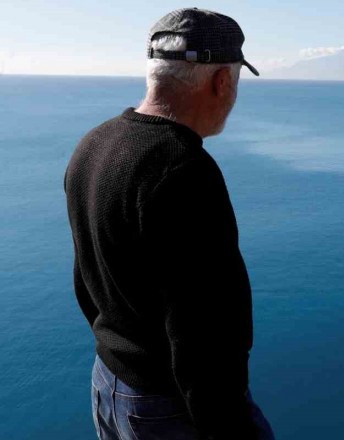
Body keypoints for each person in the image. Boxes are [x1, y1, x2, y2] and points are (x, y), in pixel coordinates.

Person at [64, 8, 272, 440]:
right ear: (222, 82)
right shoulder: (183, 172)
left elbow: (86, 280)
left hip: (109, 382)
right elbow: (205, 335)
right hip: (166, 405)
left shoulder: (94, 144)